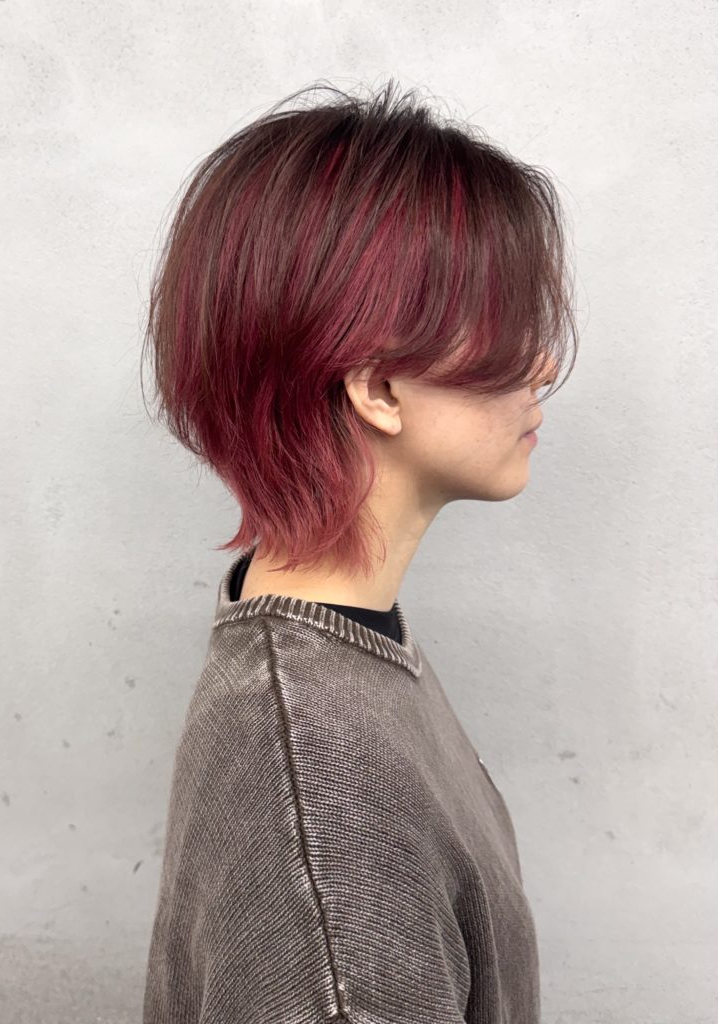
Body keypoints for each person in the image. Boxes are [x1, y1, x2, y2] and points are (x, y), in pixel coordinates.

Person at [138, 78, 578, 1024]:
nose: (542, 365)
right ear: (378, 390)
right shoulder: (329, 806)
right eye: (508, 329)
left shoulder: (330, 654)